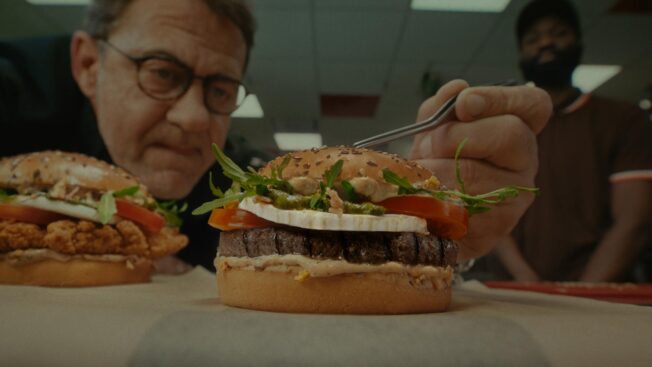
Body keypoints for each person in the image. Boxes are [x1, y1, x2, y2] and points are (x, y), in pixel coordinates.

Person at [0, 0, 552, 271]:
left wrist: (433, 230)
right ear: (88, 64)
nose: (196, 120)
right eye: (162, 73)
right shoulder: (14, 92)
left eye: (220, 90)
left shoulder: (239, 187)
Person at [484, 0, 652, 282]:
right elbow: (489, 211)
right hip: (515, 294)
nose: (546, 42)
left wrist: (583, 295)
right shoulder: (504, 128)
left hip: (600, 300)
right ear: (521, 54)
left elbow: (634, 221)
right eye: (533, 38)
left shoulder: (624, 120)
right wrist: (529, 283)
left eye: (559, 33)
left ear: (578, 42)